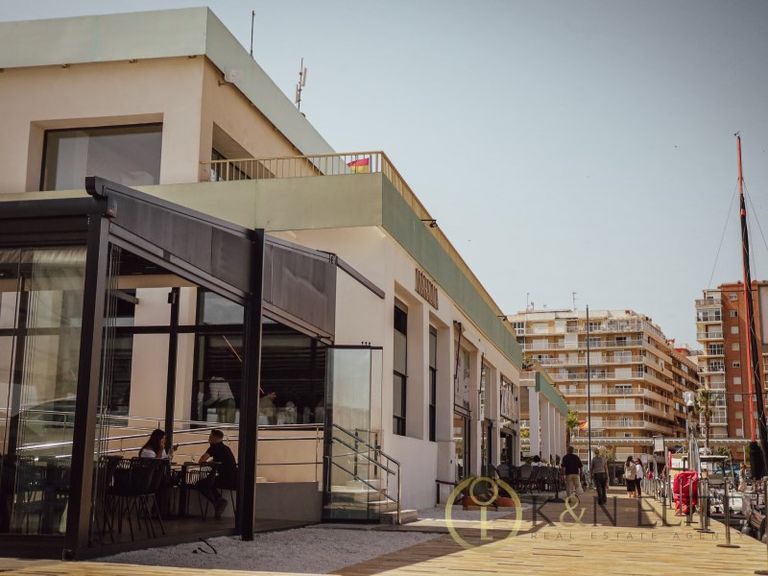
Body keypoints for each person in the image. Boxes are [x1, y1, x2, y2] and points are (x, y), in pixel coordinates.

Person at [197, 429, 237, 519]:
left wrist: (206, 463)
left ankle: (218, 501)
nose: (209, 439)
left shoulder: (214, 447)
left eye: (210, 437)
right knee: (209, 482)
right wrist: (211, 463)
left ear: (214, 438)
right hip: (234, 480)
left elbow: (201, 461)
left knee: (200, 484)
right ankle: (218, 502)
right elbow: (217, 461)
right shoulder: (226, 448)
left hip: (224, 480)